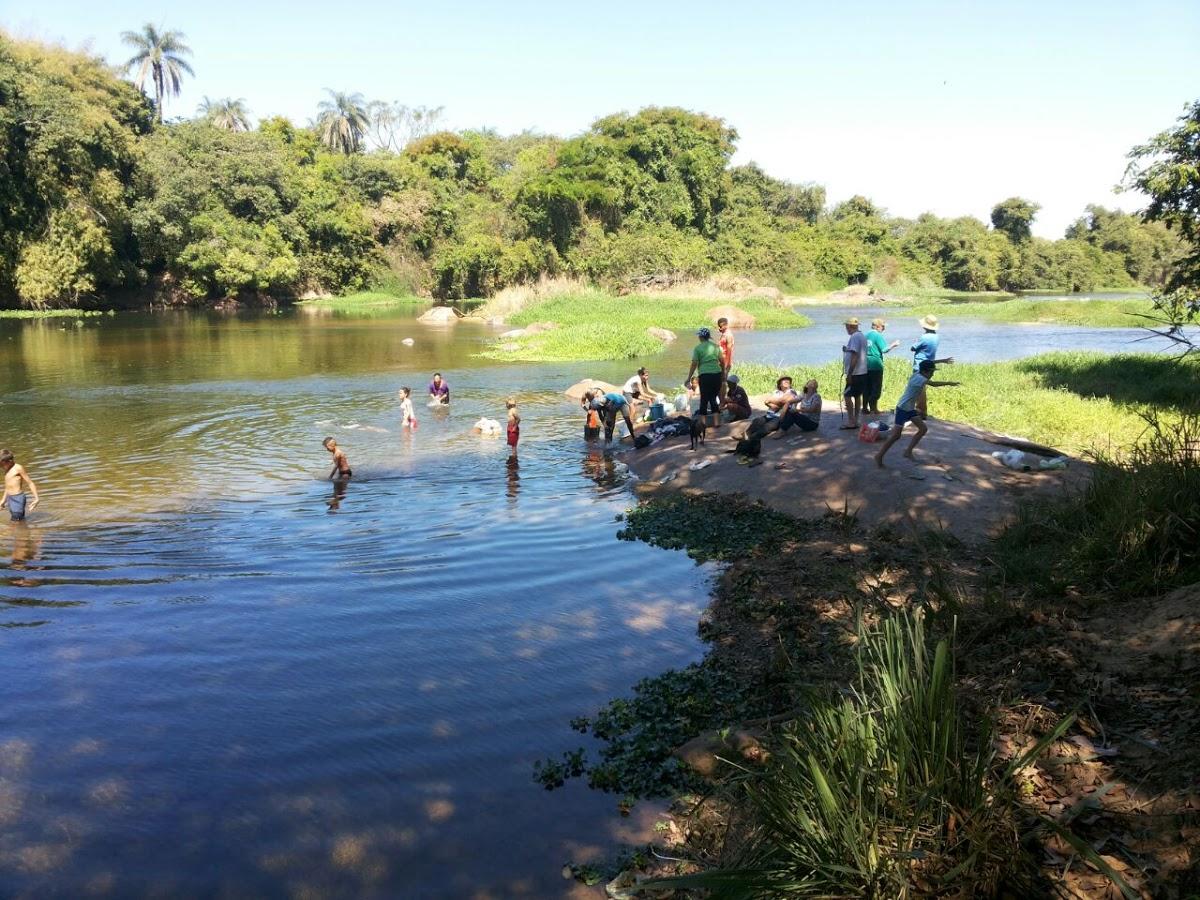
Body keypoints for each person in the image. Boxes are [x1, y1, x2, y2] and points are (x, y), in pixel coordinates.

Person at [874, 361, 960, 467]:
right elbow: (933, 384)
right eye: (931, 372)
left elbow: (927, 363)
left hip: (909, 409)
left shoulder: (917, 373)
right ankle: (879, 456)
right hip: (902, 409)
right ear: (924, 371)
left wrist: (942, 361)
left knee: (923, 429)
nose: (932, 374)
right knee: (896, 436)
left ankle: (908, 452)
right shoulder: (921, 379)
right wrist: (949, 383)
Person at [686, 327, 724, 422]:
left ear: (701, 337)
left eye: (699, 336)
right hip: (717, 375)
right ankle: (716, 422)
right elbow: (722, 362)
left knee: (704, 399)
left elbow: (694, 364)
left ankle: (702, 424)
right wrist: (723, 373)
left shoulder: (698, 348)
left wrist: (688, 378)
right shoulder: (716, 347)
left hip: (705, 376)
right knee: (713, 398)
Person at [864, 319, 900, 414]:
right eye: (883, 327)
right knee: (876, 387)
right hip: (876, 365)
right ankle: (874, 408)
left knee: (867, 387)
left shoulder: (866, 335)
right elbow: (884, 350)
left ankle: (864, 408)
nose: (884, 329)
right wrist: (894, 344)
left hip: (865, 364)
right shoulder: (877, 335)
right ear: (877, 326)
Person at [841, 317, 869, 429]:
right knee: (857, 395)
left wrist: (849, 374)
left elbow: (855, 356)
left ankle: (851, 421)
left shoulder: (854, 337)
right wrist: (847, 349)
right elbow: (855, 351)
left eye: (846, 326)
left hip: (856, 374)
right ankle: (856, 420)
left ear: (850, 326)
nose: (846, 329)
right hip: (862, 372)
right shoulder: (861, 336)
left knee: (847, 395)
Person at [1, 450, 39, 522]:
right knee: (18, 520)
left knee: (15, 521)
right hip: (10, 498)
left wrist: (36, 498)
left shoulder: (18, 468)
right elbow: (7, 487)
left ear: (9, 461)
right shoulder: (7, 469)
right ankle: (23, 530)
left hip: (18, 498)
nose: (1, 467)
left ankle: (20, 532)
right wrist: (3, 500)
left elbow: (30, 483)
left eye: (2, 465)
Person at [717, 317, 735, 399]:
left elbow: (729, 350)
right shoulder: (723, 334)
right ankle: (720, 398)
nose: (720, 328)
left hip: (725, 361)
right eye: (719, 326)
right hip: (721, 361)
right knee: (720, 380)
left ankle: (722, 400)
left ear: (726, 325)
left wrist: (727, 364)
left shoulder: (728, 335)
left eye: (721, 326)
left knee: (723, 381)